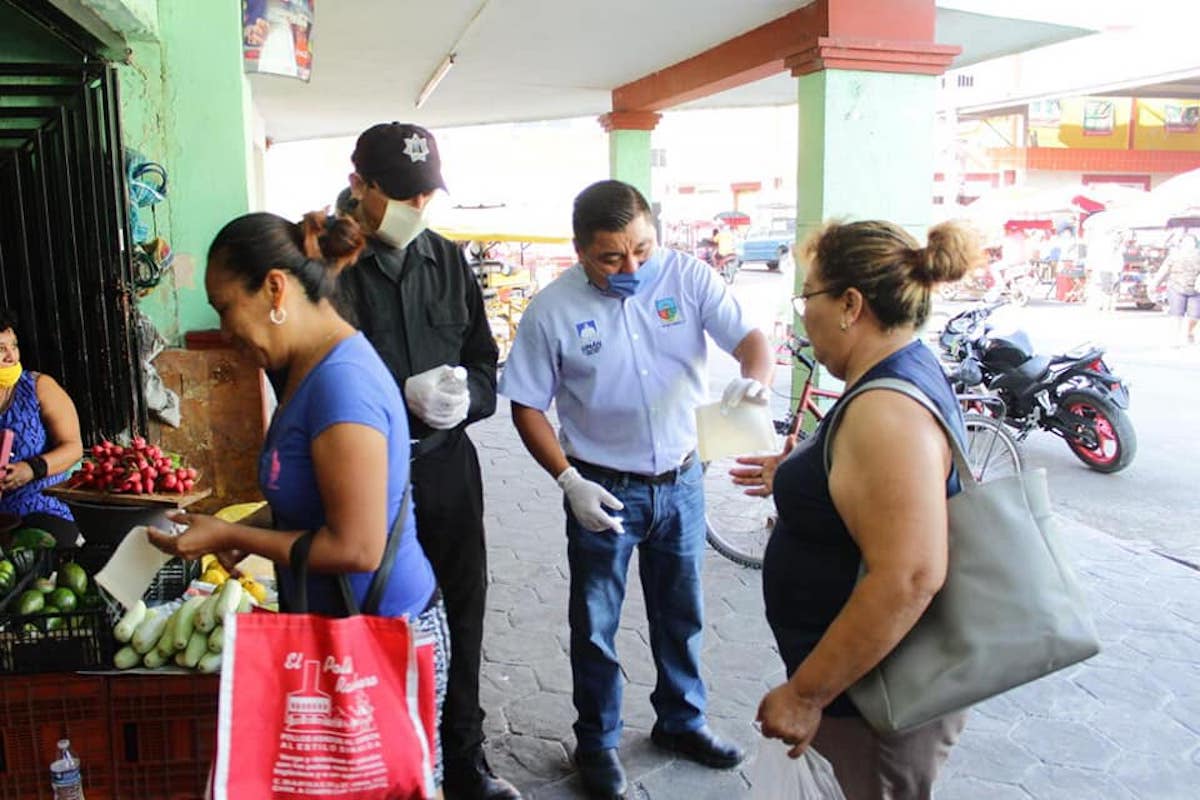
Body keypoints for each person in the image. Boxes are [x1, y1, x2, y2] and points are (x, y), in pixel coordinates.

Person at [144, 211, 450, 783]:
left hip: (380, 631)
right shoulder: (308, 370)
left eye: (225, 306)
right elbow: (312, 497)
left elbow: (357, 546)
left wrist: (233, 535)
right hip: (339, 630)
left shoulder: (342, 384)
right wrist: (223, 523)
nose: (226, 328)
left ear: (275, 288)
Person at [499, 179, 771, 798]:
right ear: (580, 251)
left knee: (682, 612)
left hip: (681, 480)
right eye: (611, 257)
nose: (632, 267)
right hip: (601, 489)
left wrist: (754, 382)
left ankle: (682, 721)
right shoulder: (553, 310)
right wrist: (568, 481)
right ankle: (597, 742)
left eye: (643, 250)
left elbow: (751, 341)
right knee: (595, 623)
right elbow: (526, 407)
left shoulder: (688, 278)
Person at [744, 220, 980, 800]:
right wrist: (801, 479)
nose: (805, 316)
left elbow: (910, 575)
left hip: (874, 702)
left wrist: (806, 695)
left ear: (850, 304)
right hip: (866, 690)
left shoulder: (885, 410)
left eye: (809, 298)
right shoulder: (894, 374)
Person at [332, 122, 517, 800]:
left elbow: (486, 367)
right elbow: (304, 380)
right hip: (365, 477)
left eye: (427, 193)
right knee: (375, 618)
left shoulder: (447, 260)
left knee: (462, 612)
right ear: (361, 187)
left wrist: (465, 399)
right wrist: (390, 395)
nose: (419, 206)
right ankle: (388, 763)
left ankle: (464, 760)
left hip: (445, 467)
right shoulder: (325, 269)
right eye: (403, 194)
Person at [0, 309, 84, 547]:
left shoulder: (39, 388)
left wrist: (32, 468)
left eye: (13, 346)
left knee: (33, 556)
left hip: (41, 507)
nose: (11, 356)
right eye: (1, 349)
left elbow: (73, 447)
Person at [1152, 232, 1200, 345]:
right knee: (1177, 315)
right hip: (1176, 287)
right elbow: (1163, 271)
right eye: (1186, 242)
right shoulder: (1174, 256)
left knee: (1195, 316)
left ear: (1195, 244)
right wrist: (1154, 284)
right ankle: (1175, 339)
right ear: (1181, 244)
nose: (1189, 244)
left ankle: (1190, 332)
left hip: (1196, 289)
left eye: (1191, 242)